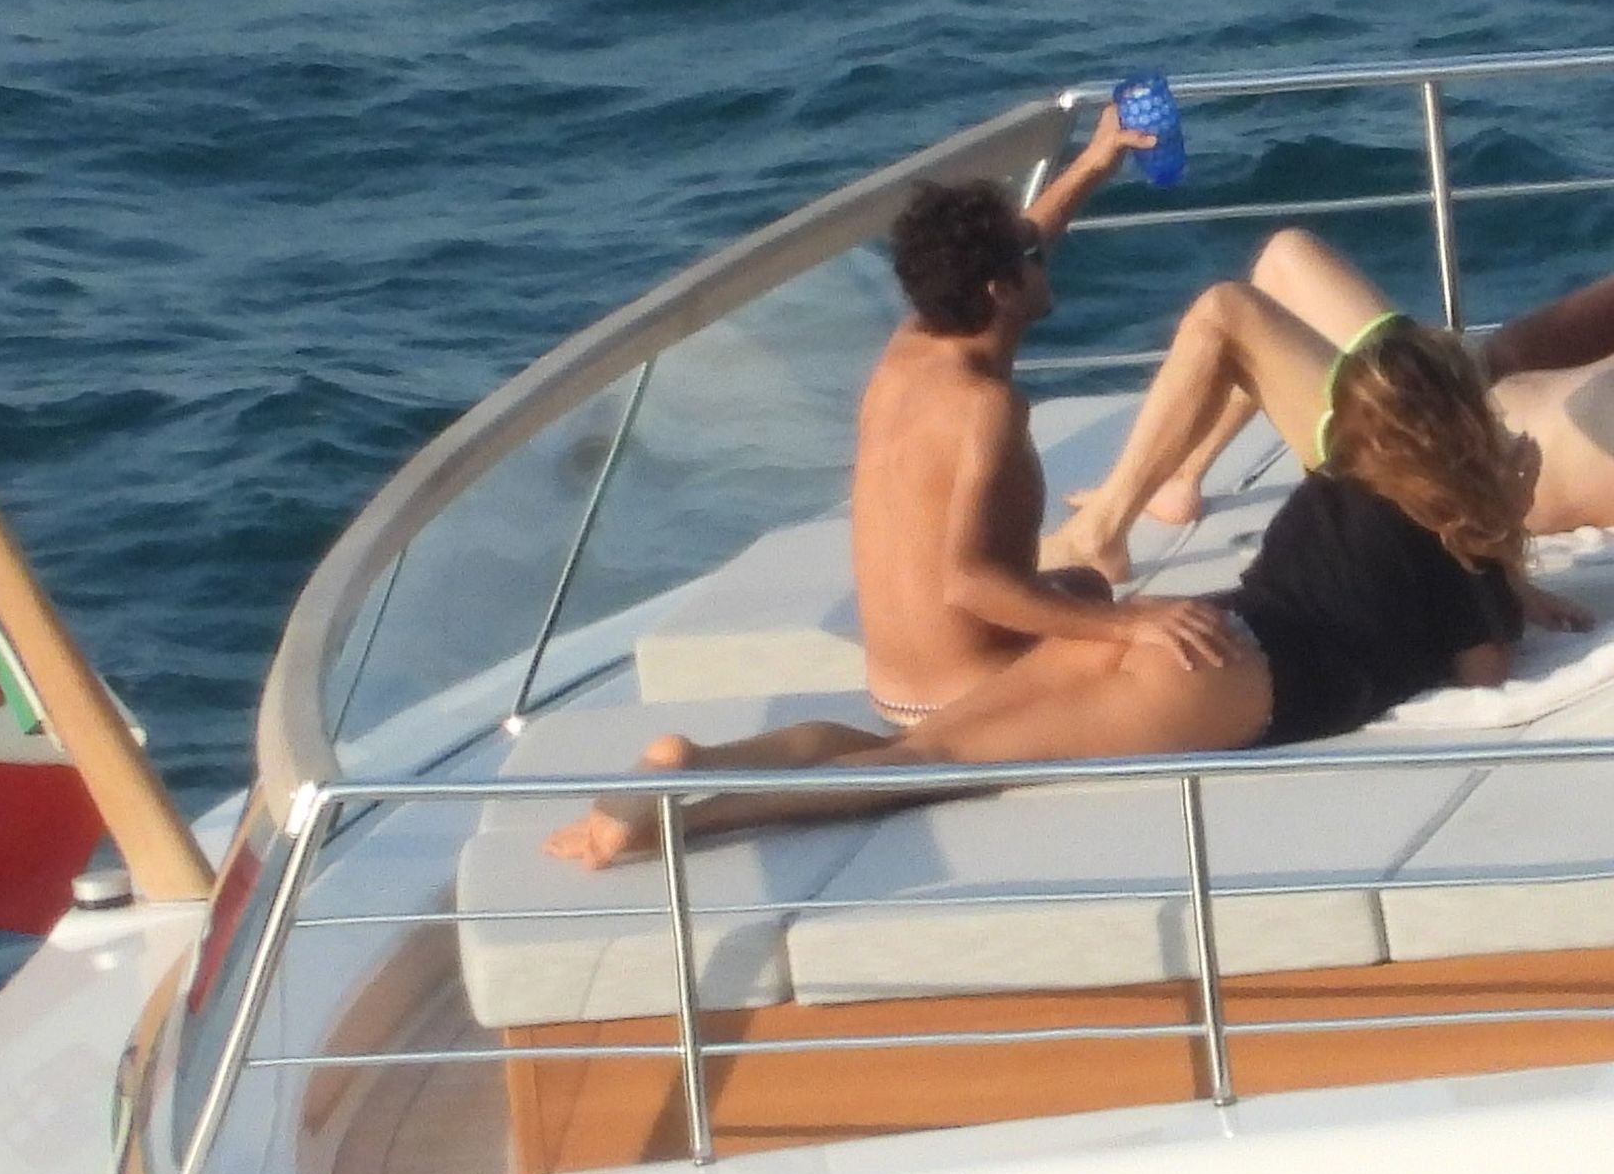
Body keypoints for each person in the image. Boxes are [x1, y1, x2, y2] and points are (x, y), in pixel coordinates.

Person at [548, 318, 1558, 869]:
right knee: (927, 767)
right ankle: (688, 814)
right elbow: (1484, 672)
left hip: (1180, 630)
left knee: (919, 747)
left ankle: (705, 765)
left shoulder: (1331, 484)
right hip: (1230, 681)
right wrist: (1503, 534)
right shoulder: (1454, 537)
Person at [854, 109, 1235, 731]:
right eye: (1031, 256)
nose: (1044, 257)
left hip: (892, 686)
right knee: (1200, 642)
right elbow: (972, 583)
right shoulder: (985, 407)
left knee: (1085, 585)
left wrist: (1096, 160)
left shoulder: (909, 348)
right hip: (962, 698)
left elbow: (1024, 238)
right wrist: (1134, 623)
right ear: (1000, 291)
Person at [1041, 228, 1614, 583]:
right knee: (1286, 256)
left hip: (1446, 470)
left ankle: (1099, 536)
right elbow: (1518, 348)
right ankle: (1181, 477)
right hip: (1460, 396)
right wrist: (1463, 368)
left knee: (1226, 313)